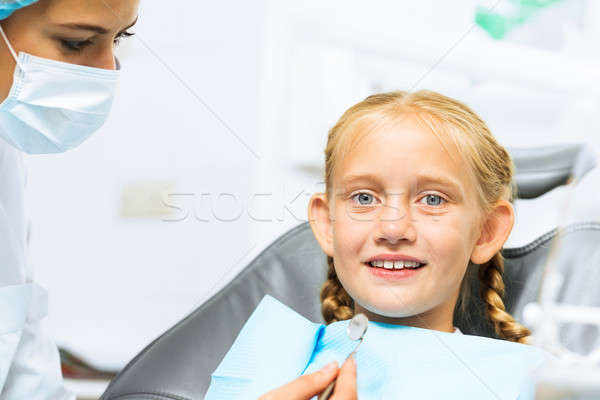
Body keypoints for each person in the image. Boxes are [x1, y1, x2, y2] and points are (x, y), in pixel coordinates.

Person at [207, 89, 547, 398]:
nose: (393, 227)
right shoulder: (270, 351)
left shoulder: (534, 380)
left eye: (432, 199)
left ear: (486, 230)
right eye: (364, 197)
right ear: (327, 224)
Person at [0, 0, 138, 398]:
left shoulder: (6, 157)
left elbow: (26, 374)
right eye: (76, 42)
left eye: (121, 37)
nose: (108, 70)